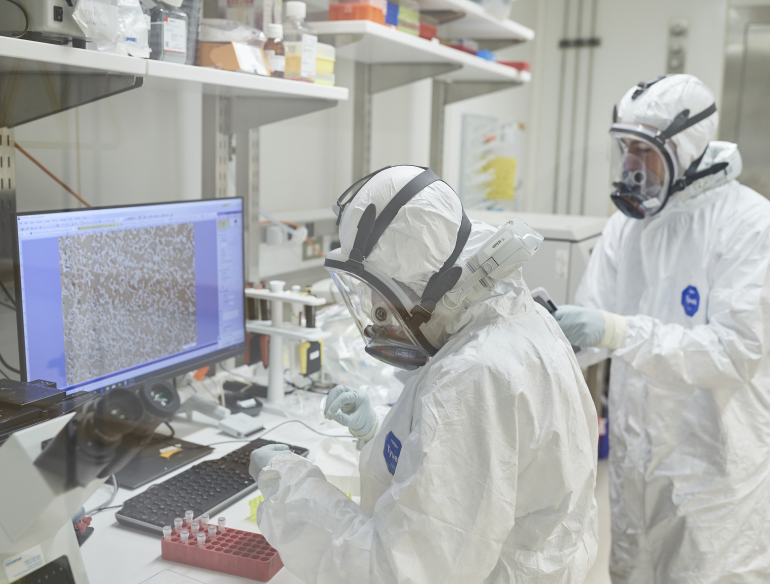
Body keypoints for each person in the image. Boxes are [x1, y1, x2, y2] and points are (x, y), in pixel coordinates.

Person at [249, 165, 599, 583]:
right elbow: (477, 470)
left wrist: (289, 486)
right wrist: (377, 433)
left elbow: (394, 571)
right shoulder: (511, 318)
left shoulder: (476, 376)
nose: (378, 317)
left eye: (381, 299)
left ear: (425, 287)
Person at [554, 74, 770, 583]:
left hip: (713, 471)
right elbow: (591, 326)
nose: (630, 165)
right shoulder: (627, 226)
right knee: (633, 571)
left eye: (644, 150)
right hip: (636, 466)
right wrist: (544, 334)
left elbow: (735, 351)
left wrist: (618, 332)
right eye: (625, 147)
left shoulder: (749, 223)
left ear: (686, 147)